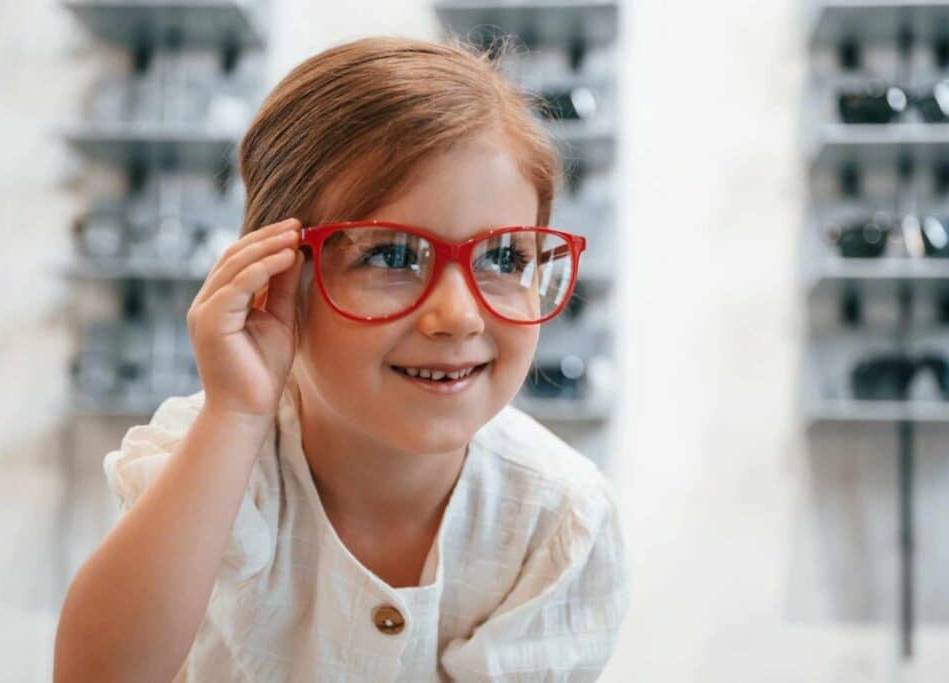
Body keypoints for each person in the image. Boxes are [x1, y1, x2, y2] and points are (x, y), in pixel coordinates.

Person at [54, 35, 630, 682]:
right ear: (278, 274)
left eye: (504, 258)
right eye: (389, 256)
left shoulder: (557, 517)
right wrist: (236, 413)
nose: (459, 316)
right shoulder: (212, 454)